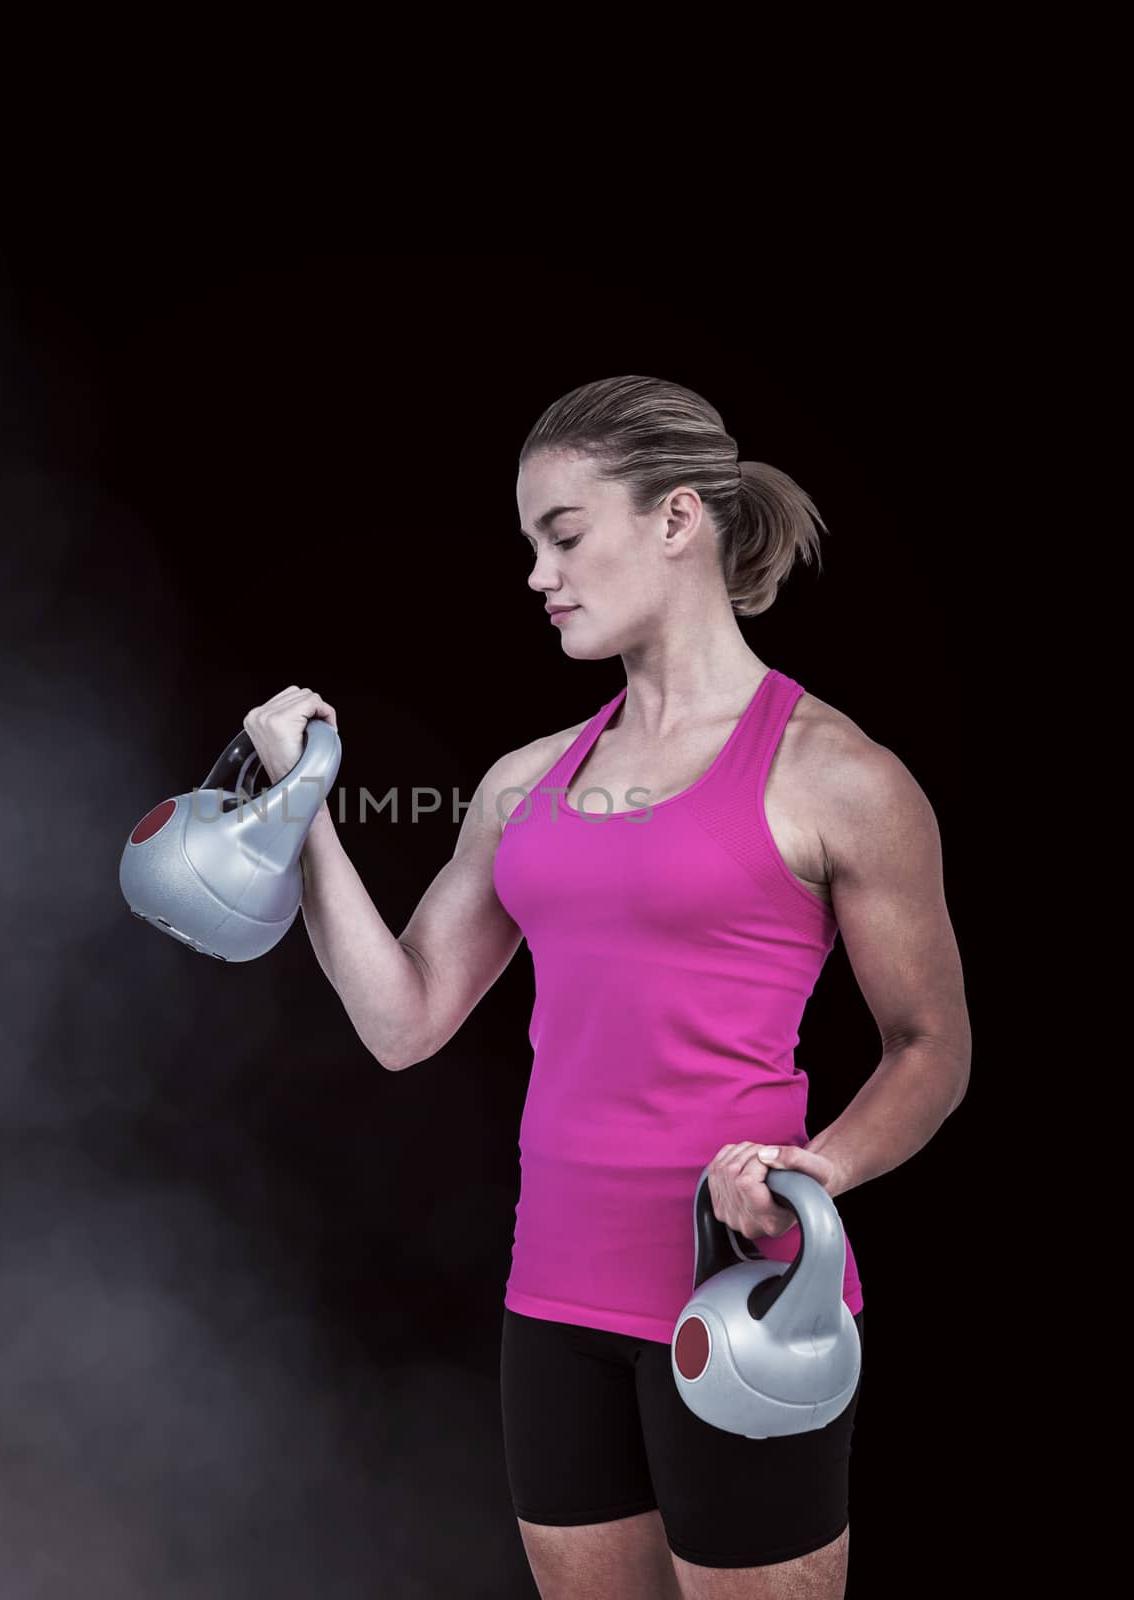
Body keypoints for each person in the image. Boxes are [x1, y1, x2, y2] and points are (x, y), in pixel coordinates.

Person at [242, 375, 970, 1600]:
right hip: (555, 1302)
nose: (537, 574)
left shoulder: (837, 773)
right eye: (530, 545)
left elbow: (929, 1046)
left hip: (745, 1296)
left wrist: (818, 1172)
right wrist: (301, 818)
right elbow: (404, 1018)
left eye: (563, 535)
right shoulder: (527, 780)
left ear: (678, 518)